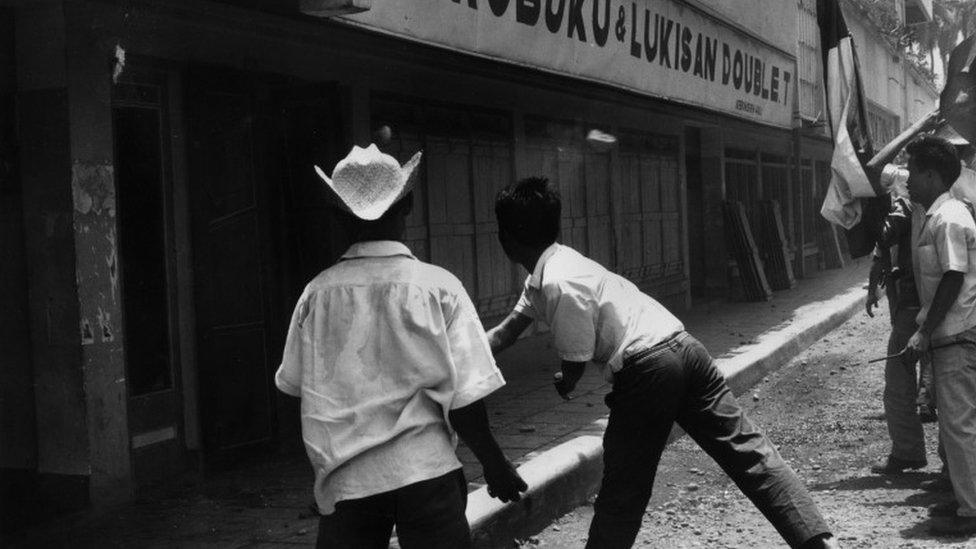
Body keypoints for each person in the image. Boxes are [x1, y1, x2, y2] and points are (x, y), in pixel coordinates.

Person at [486, 176, 837, 549]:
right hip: (686, 348)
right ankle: (819, 542)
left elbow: (575, 362)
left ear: (505, 239)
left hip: (647, 367)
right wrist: (459, 352)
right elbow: (506, 332)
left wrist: (567, 380)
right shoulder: (558, 267)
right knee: (749, 451)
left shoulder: (556, 283)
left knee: (623, 490)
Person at [275, 144, 527, 549]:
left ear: (336, 215)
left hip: (346, 480)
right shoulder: (439, 287)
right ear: (408, 204)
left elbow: (293, 389)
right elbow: (465, 400)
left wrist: (322, 470)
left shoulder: (315, 295)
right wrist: (494, 464)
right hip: (425, 471)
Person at [901, 136, 976, 536]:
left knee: (959, 424)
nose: (908, 180)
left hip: (956, 334)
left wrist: (924, 333)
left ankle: (971, 512)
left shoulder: (948, 218)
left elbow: (953, 276)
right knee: (962, 422)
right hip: (956, 332)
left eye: (912, 172)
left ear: (931, 175)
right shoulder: (939, 214)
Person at [861, 112, 941, 475]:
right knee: (945, 385)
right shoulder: (948, 199)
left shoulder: (912, 202)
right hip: (933, 304)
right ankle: (951, 469)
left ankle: (910, 452)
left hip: (915, 306)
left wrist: (916, 128)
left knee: (898, 384)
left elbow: (871, 169)